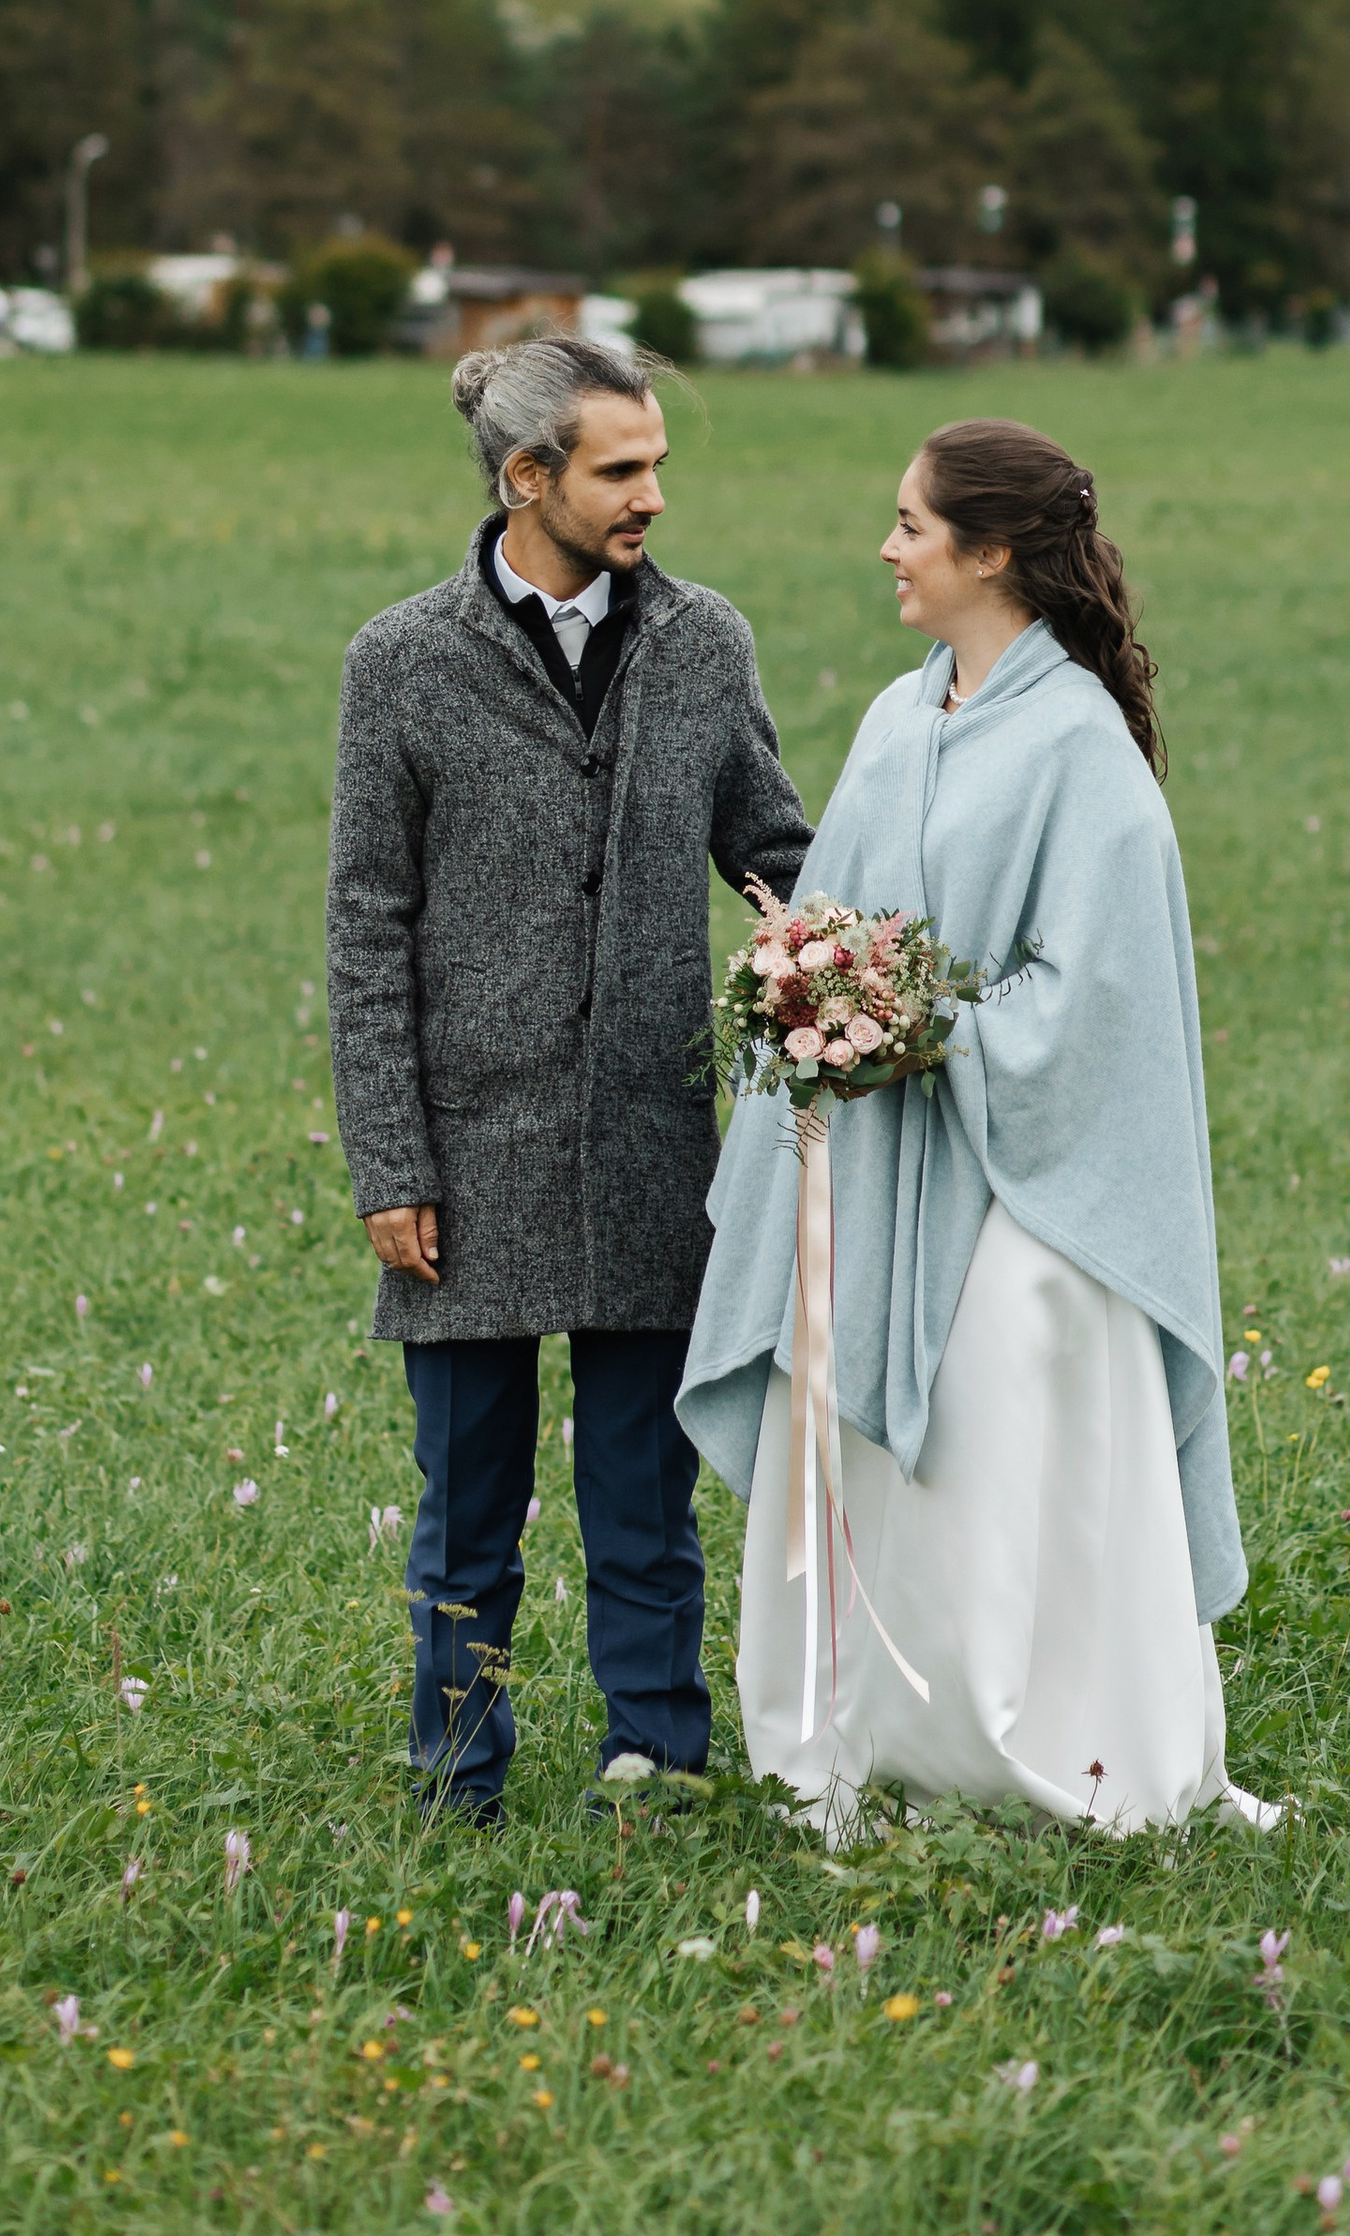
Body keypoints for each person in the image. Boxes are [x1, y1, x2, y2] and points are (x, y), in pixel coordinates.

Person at [680, 415, 1276, 1837]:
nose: (885, 549)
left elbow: (1097, 1002)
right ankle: (875, 1727)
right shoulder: (901, 715)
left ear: (991, 553)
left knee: (1008, 1367)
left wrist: (923, 1027)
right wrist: (814, 989)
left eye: (910, 526)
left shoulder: (1084, 751)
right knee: (839, 1390)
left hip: (1029, 1175)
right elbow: (837, 908)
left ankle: (1041, 1733)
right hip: (883, 1158)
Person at [326, 335, 810, 1823]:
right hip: (469, 1154)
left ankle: (656, 1757)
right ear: (526, 477)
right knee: (465, 1506)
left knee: (642, 1503)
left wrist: (832, 957)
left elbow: (775, 846)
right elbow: (367, 920)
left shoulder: (705, 642)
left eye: (659, 463)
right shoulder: (401, 660)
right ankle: (456, 1768)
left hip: (654, 1141)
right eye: (622, 468)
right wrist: (391, 1159)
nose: (652, 493)